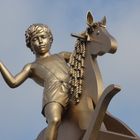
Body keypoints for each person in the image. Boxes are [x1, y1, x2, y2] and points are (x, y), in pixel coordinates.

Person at [0, 23, 71, 140]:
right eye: (35, 39)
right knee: (54, 120)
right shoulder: (31, 67)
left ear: (50, 39)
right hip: (53, 95)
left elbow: (83, 55)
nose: (40, 42)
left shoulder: (62, 55)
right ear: (30, 45)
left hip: (72, 89)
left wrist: (88, 37)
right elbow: (13, 82)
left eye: (43, 37)